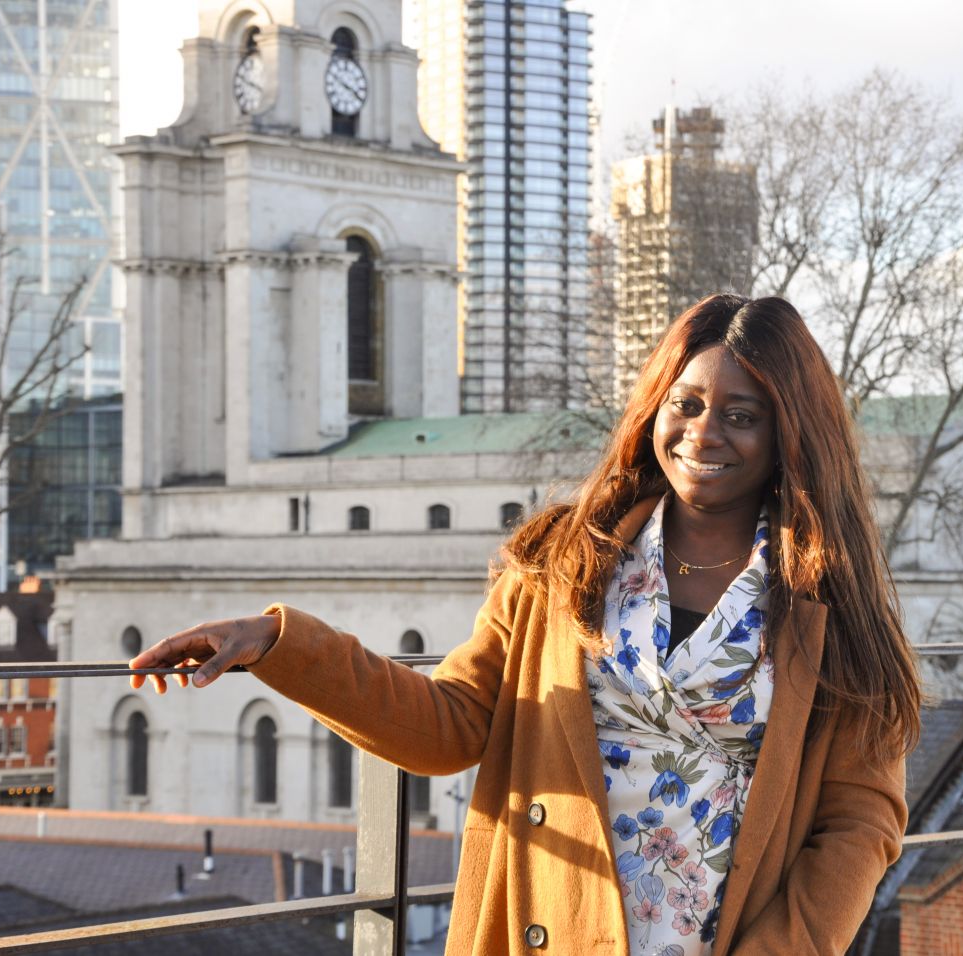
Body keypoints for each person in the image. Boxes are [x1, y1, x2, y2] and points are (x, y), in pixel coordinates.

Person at [131, 294, 922, 955]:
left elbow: (862, 818)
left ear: (789, 433)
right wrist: (281, 644)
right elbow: (447, 726)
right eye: (685, 404)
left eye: (741, 415)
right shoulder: (567, 560)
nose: (703, 434)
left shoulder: (827, 599)